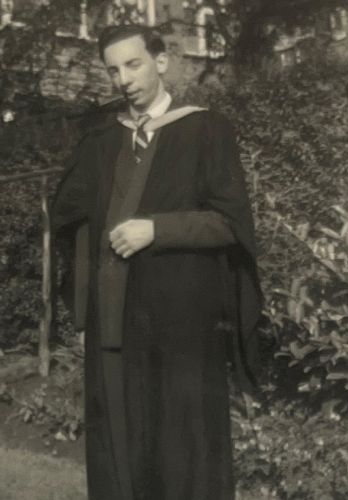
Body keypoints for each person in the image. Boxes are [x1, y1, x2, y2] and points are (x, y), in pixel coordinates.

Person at [50, 24, 261, 500]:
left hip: (180, 323)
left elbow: (230, 224)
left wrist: (157, 230)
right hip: (114, 318)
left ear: (162, 62)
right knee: (119, 448)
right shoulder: (103, 142)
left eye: (134, 64)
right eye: (113, 70)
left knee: (182, 448)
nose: (123, 79)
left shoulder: (206, 130)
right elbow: (68, 216)